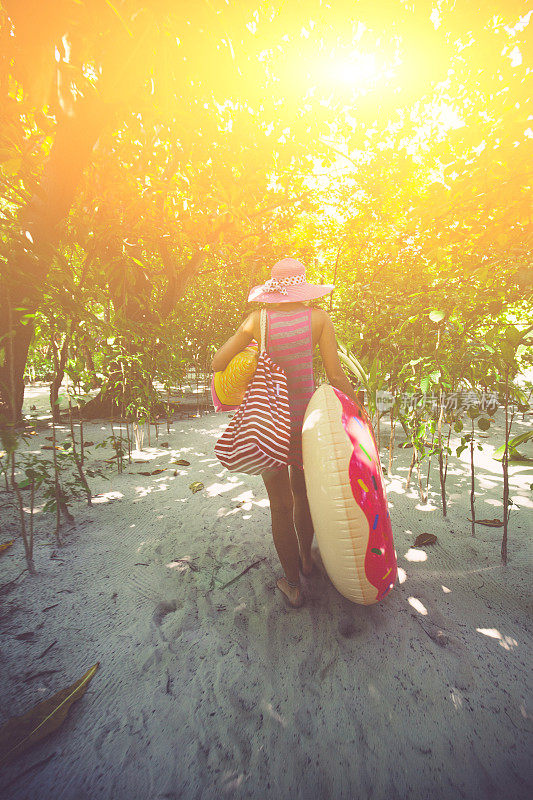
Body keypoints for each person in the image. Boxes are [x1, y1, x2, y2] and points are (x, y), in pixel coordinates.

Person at [212, 257, 360, 608]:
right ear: (303, 287)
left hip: (268, 422)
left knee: (280, 505)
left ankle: (292, 584)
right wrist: (357, 406)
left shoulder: (256, 321)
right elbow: (336, 376)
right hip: (306, 424)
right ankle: (308, 562)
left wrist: (251, 352)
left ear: (273, 291)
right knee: (303, 496)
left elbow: (217, 363)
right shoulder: (319, 319)